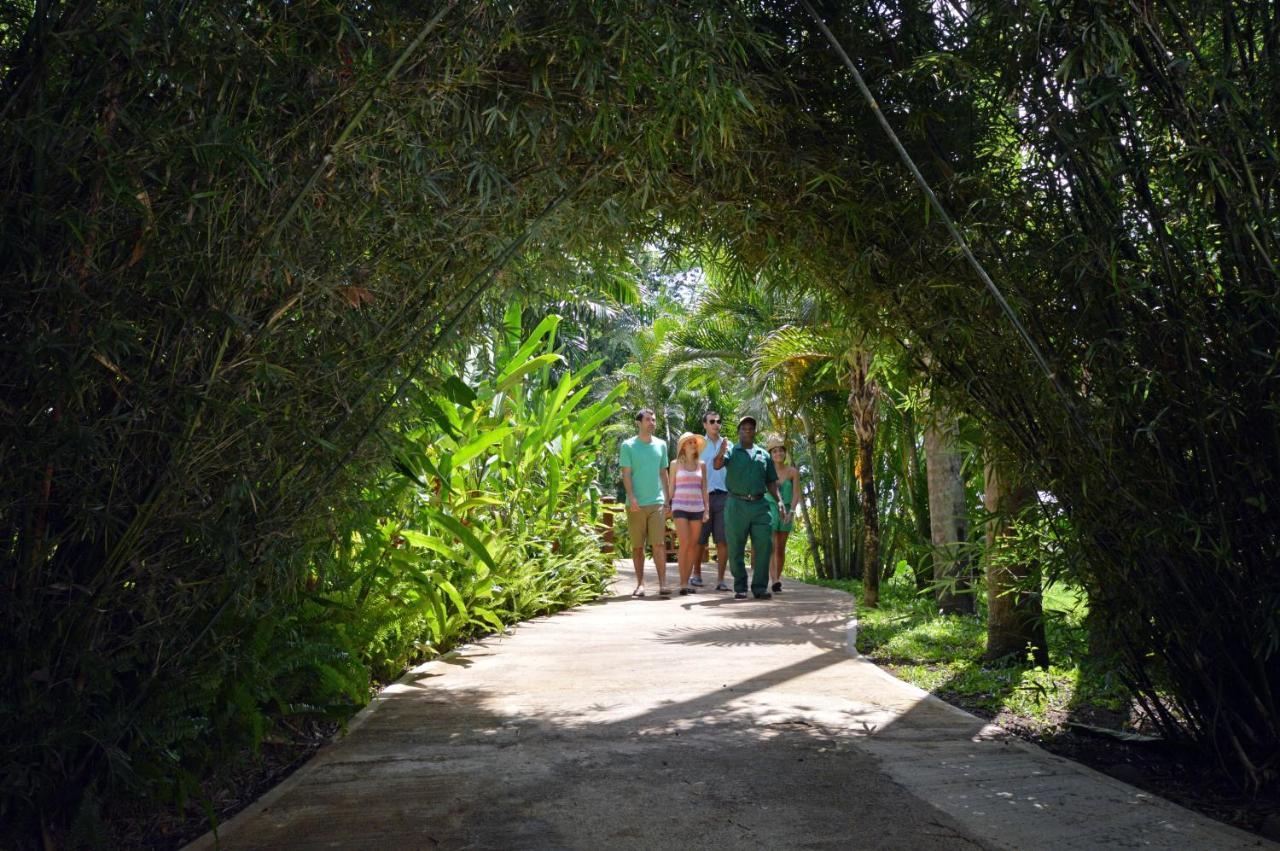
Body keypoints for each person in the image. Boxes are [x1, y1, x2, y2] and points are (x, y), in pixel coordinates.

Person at [713, 415, 781, 599]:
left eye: (751, 428)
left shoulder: (763, 455)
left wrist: (780, 502)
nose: (748, 431)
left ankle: (759, 588)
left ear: (755, 431)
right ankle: (740, 586)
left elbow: (771, 482)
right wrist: (721, 451)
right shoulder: (731, 451)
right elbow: (717, 465)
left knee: (764, 546)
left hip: (760, 505)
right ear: (739, 432)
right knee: (736, 547)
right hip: (736, 504)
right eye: (744, 428)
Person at [620, 409, 670, 597]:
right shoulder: (628, 446)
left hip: (656, 502)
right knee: (638, 546)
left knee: (659, 545)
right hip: (636, 504)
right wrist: (631, 497)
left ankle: (663, 584)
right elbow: (626, 473)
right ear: (638, 423)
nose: (652, 423)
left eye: (654, 420)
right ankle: (640, 585)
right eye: (648, 419)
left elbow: (663, 473)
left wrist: (667, 499)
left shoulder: (661, 445)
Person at [667, 432, 710, 595]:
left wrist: (707, 509)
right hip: (680, 506)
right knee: (684, 543)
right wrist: (667, 504)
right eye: (689, 442)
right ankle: (683, 583)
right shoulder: (674, 464)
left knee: (693, 545)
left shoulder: (702, 464)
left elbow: (704, 488)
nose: (693, 444)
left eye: (694, 442)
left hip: (697, 508)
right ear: (683, 446)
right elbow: (672, 487)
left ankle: (687, 582)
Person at [693, 410, 731, 591]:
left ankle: (721, 579)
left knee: (722, 541)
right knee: (700, 539)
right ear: (705, 425)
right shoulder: (699, 445)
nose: (716, 424)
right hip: (703, 497)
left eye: (718, 421)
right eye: (712, 421)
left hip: (724, 496)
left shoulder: (728, 445)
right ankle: (697, 575)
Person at [764, 435, 801, 593]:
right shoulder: (766, 470)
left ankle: (777, 579)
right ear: (770, 454)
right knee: (771, 545)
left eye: (780, 451)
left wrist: (791, 512)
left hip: (787, 511)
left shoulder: (792, 471)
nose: (778, 454)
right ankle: (774, 579)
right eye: (774, 451)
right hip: (770, 508)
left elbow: (796, 494)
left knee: (780, 547)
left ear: (785, 453)